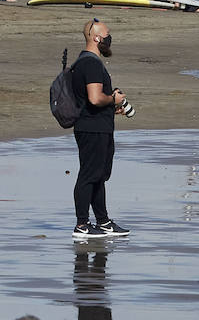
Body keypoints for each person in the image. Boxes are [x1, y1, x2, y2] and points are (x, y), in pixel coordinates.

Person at [70, 19, 131, 240]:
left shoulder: (85, 62)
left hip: (97, 125)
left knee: (98, 175)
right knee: (89, 175)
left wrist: (112, 106)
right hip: (92, 128)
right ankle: (82, 224)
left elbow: (91, 100)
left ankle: (103, 221)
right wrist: (113, 98)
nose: (109, 38)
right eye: (107, 34)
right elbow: (95, 99)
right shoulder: (91, 64)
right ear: (96, 38)